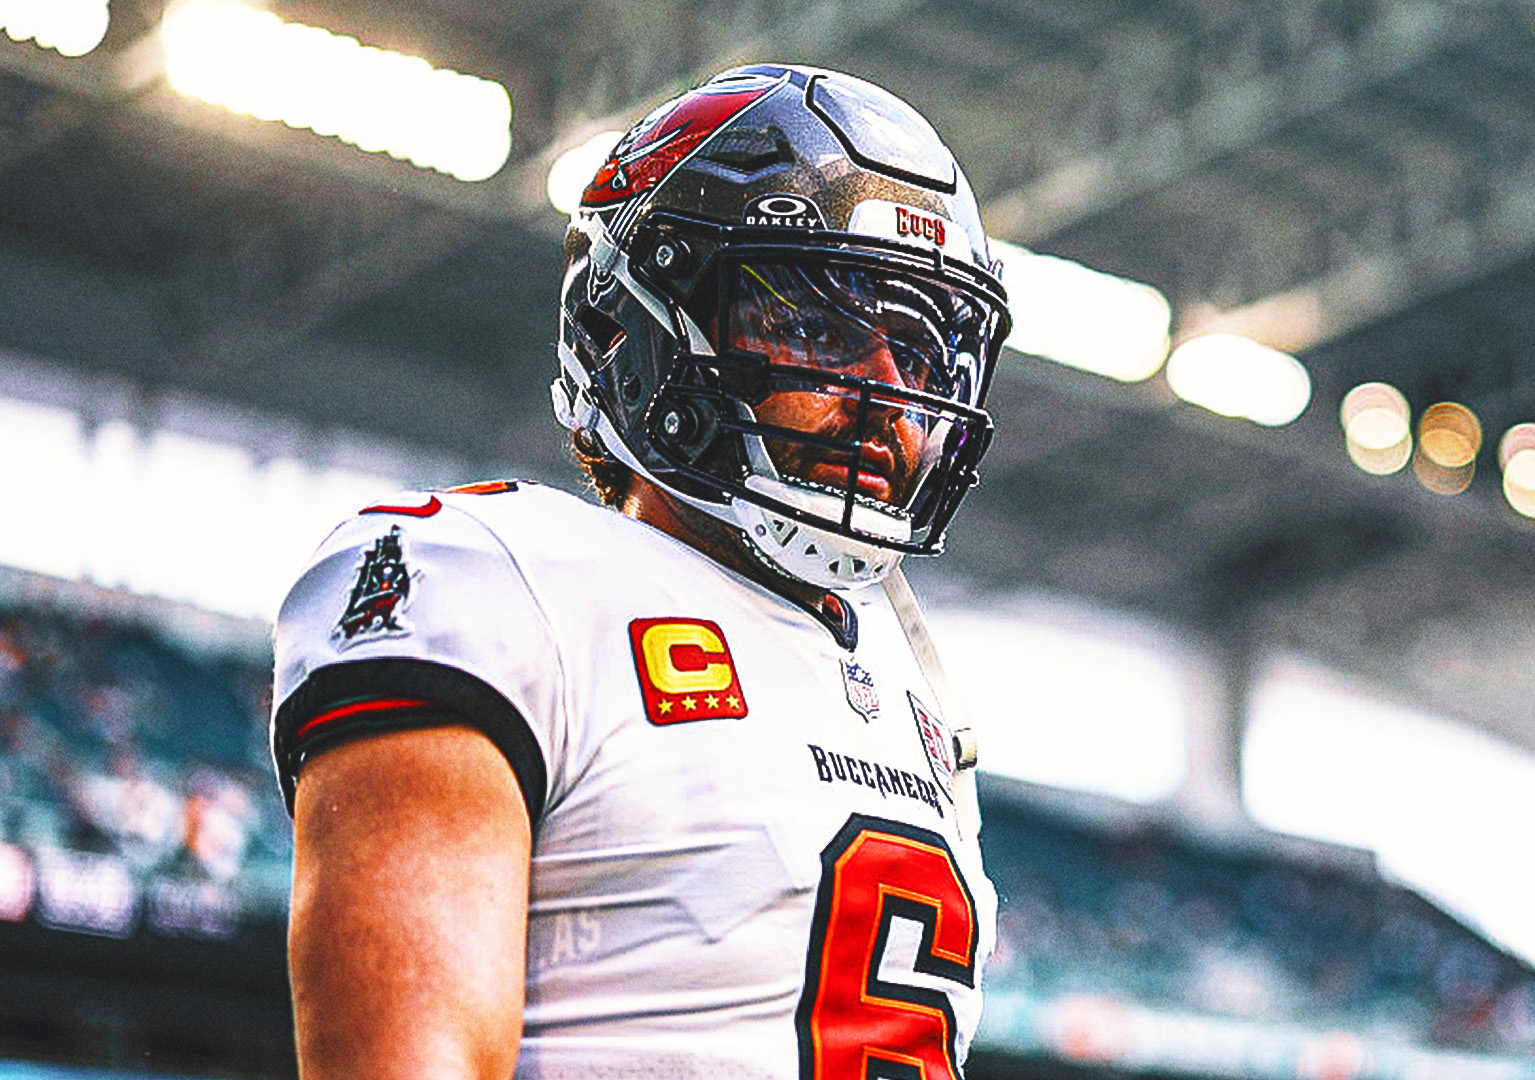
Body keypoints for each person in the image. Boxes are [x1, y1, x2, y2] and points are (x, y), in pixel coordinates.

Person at [269, 64, 1010, 1080]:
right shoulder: (500, 576)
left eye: (918, 356)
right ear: (633, 325)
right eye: (818, 329)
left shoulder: (914, 682)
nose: (887, 396)